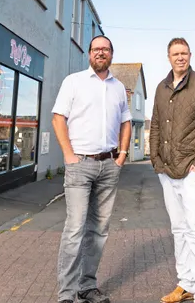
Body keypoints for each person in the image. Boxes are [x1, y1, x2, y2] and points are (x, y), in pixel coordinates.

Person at [52, 35, 131, 303]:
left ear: (111, 54)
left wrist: (121, 156)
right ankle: (66, 294)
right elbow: (58, 118)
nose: (101, 53)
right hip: (79, 165)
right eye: (96, 49)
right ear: (89, 54)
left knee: (98, 230)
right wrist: (69, 155)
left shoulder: (119, 87)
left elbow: (126, 123)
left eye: (105, 49)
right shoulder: (73, 82)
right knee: (75, 228)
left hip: (109, 165)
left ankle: (87, 287)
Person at [149, 38, 195, 303]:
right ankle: (186, 283)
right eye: (175, 54)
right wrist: (156, 161)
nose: (180, 57)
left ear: (190, 55)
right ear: (168, 57)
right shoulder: (160, 88)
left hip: (192, 169)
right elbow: (156, 124)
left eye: (184, 53)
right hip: (167, 170)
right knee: (178, 229)